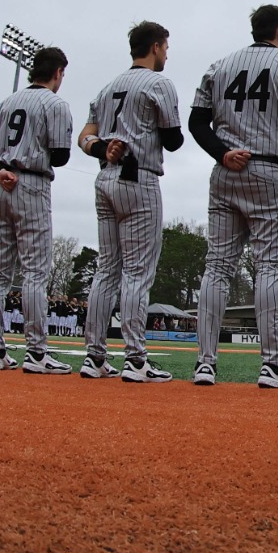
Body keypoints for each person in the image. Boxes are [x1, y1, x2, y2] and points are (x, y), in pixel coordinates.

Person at [191, 5, 278, 389]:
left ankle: (205, 364)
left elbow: (197, 121)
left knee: (217, 267)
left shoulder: (219, 66)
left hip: (225, 169)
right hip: (269, 169)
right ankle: (272, 365)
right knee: (270, 268)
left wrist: (222, 152)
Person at [79, 21, 183, 383]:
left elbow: (85, 136)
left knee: (107, 269)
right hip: (139, 179)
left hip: (105, 177)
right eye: (166, 47)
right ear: (155, 46)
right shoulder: (158, 83)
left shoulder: (107, 87)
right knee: (137, 272)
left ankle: (94, 356)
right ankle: (136, 359)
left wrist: (100, 147)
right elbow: (173, 141)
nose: (167, 53)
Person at [0, 46, 75, 373]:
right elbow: (61, 155)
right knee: (35, 271)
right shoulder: (56, 103)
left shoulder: (6, 102)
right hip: (33, 183)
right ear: (58, 72)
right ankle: (36, 353)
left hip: (3, 182)